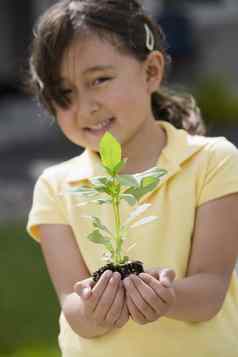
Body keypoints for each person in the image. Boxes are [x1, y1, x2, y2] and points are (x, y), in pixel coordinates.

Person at [26, 1, 238, 356]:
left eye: (100, 80)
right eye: (65, 94)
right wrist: (98, 307)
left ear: (151, 72)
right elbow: (74, 308)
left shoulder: (212, 161)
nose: (85, 107)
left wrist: (165, 296)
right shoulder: (55, 187)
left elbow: (209, 291)